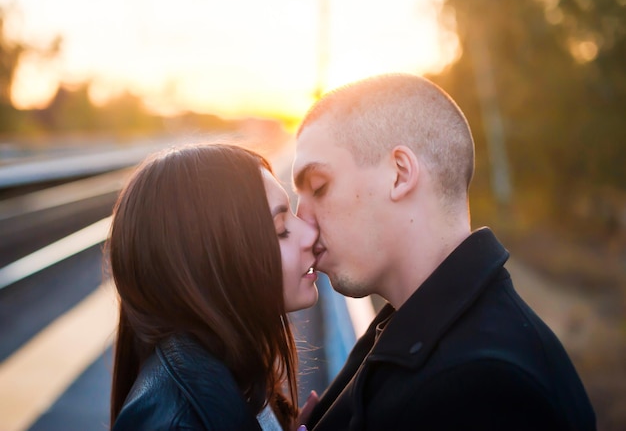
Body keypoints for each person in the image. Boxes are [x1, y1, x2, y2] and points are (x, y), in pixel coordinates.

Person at [292, 73, 596, 430]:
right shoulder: (413, 331)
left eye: (319, 187)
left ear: (399, 174)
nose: (302, 222)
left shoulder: (486, 388)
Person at [106, 142, 320, 430]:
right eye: (281, 229)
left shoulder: (239, 377)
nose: (310, 234)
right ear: (213, 263)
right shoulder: (177, 424)